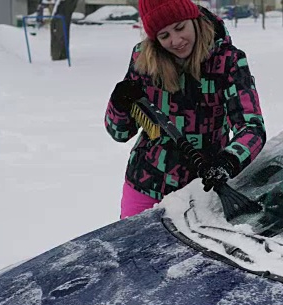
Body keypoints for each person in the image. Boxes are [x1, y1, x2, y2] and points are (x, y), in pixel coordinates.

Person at [104, 0, 266, 219]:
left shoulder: (228, 61)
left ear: (194, 19)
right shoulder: (144, 59)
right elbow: (119, 132)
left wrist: (228, 162)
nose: (176, 41)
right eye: (164, 36)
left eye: (180, 28)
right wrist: (119, 104)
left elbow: (252, 128)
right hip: (144, 184)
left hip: (202, 189)